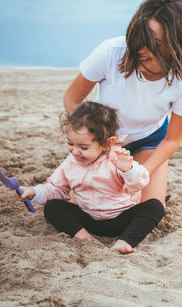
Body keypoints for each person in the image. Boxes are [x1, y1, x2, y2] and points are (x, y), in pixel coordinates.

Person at [63, 0, 182, 207]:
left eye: (153, 42)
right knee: (81, 207)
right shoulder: (111, 51)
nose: (140, 48)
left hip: (149, 140)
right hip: (101, 141)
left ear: (175, 44)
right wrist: (95, 141)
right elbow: (72, 99)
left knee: (149, 209)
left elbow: (172, 140)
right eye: (138, 37)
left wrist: (142, 172)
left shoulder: (178, 76)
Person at [15, 101, 165, 254]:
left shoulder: (117, 159)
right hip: (87, 219)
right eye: (70, 143)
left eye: (83, 147)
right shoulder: (70, 163)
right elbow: (56, 189)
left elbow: (139, 183)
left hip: (120, 218)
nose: (75, 151)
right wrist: (34, 192)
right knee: (53, 206)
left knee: (155, 206)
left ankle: (125, 241)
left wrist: (129, 170)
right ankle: (84, 238)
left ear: (107, 143)